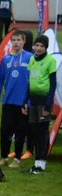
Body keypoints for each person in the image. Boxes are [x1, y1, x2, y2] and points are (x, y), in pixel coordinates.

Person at [0, 31, 33, 169]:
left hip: (23, 103)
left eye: (18, 40)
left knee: (20, 132)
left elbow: (33, 81)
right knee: (5, 130)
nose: (16, 42)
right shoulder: (5, 59)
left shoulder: (30, 58)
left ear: (24, 41)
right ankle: (4, 157)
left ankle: (17, 159)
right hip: (8, 101)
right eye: (13, 40)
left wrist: (29, 102)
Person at [25, 34, 58, 176]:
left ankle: (41, 163)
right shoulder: (32, 59)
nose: (38, 48)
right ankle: (36, 163)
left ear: (46, 48)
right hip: (33, 100)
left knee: (43, 132)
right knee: (35, 131)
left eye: (41, 46)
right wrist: (25, 101)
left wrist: (48, 105)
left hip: (44, 101)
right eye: (36, 45)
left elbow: (52, 85)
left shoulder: (50, 61)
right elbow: (29, 82)